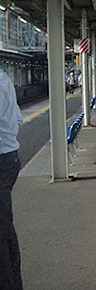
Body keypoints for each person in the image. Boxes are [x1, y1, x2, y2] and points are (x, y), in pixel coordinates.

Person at [0, 68, 23, 289]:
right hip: (9, 159)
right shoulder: (4, 78)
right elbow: (18, 118)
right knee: (5, 228)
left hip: (2, 162)